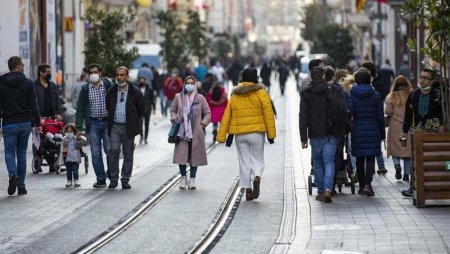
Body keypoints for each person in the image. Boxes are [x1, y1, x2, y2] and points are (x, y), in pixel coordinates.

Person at [217, 68, 276, 201]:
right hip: (257, 133)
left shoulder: (235, 94)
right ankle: (257, 177)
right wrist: (271, 135)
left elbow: (226, 116)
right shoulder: (262, 93)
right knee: (258, 159)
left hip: (240, 135)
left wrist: (221, 136)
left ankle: (248, 190)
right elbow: (268, 114)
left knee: (244, 161)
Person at [0, 56, 41, 195]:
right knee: (21, 153)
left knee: (9, 152)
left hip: (8, 123)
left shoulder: (1, 82)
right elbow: (34, 105)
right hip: (24, 123)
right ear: (18, 66)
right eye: (22, 65)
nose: (23, 67)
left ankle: (13, 175)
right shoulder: (28, 83)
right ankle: (21, 186)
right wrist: (38, 123)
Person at [401, 69, 442, 197]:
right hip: (417, 133)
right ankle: (413, 187)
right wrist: (404, 131)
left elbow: (443, 115)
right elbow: (408, 115)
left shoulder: (438, 95)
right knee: (416, 160)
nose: (422, 80)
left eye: (426, 78)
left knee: (434, 160)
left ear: (432, 80)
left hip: (435, 134)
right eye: (421, 77)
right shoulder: (413, 94)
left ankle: (436, 186)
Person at [300, 66, 338, 203]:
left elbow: (303, 116)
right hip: (331, 131)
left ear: (311, 77)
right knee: (329, 160)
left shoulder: (306, 93)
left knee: (318, 162)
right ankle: (328, 189)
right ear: (323, 76)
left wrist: (303, 137)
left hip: (315, 132)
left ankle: (321, 191)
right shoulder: (330, 90)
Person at [106, 66, 145, 189]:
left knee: (128, 153)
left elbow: (141, 109)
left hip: (128, 127)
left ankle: (125, 179)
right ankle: (113, 178)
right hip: (115, 126)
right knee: (113, 150)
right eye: (118, 75)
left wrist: (134, 122)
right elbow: (108, 107)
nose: (119, 77)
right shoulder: (111, 91)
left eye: (122, 75)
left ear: (127, 77)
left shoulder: (135, 91)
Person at [75, 63, 113, 188]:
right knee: (96, 153)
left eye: (95, 72)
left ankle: (111, 174)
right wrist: (79, 127)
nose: (93, 75)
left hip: (107, 123)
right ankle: (101, 178)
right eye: (91, 72)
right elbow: (80, 109)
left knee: (110, 150)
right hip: (93, 124)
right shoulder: (85, 89)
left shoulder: (108, 86)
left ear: (100, 73)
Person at [170, 75, 211, 190]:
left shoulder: (200, 98)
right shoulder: (178, 97)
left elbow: (208, 112)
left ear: (195, 84)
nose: (189, 85)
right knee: (181, 155)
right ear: (184, 84)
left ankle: (192, 179)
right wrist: (174, 118)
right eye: (187, 82)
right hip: (182, 132)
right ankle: (183, 178)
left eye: (192, 83)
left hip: (196, 131)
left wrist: (202, 124)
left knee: (195, 156)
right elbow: (172, 110)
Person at [349, 68, 385, 196]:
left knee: (359, 157)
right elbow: (380, 116)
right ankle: (368, 185)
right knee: (370, 157)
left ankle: (362, 185)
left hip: (358, 129)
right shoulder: (375, 95)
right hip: (373, 129)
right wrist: (382, 134)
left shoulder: (352, 94)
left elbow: (350, 112)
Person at [385, 76, 413, 182]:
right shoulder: (412, 94)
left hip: (395, 126)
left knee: (395, 148)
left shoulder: (392, 96)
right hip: (408, 126)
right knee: (406, 151)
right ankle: (406, 174)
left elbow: (387, 112)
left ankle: (397, 165)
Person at [362, 62, 388, 174]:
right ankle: (371, 167)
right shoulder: (363, 81)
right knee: (370, 143)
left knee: (375, 142)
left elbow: (381, 97)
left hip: (375, 114)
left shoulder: (378, 83)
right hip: (366, 114)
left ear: (370, 70)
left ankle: (381, 165)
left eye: (365, 70)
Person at [136, 76, 155, 144]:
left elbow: (152, 98)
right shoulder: (136, 88)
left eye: (143, 81)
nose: (142, 82)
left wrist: (154, 108)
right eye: (140, 81)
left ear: (145, 81)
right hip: (139, 110)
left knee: (147, 124)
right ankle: (141, 135)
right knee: (140, 124)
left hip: (148, 109)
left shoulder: (149, 88)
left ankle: (146, 138)